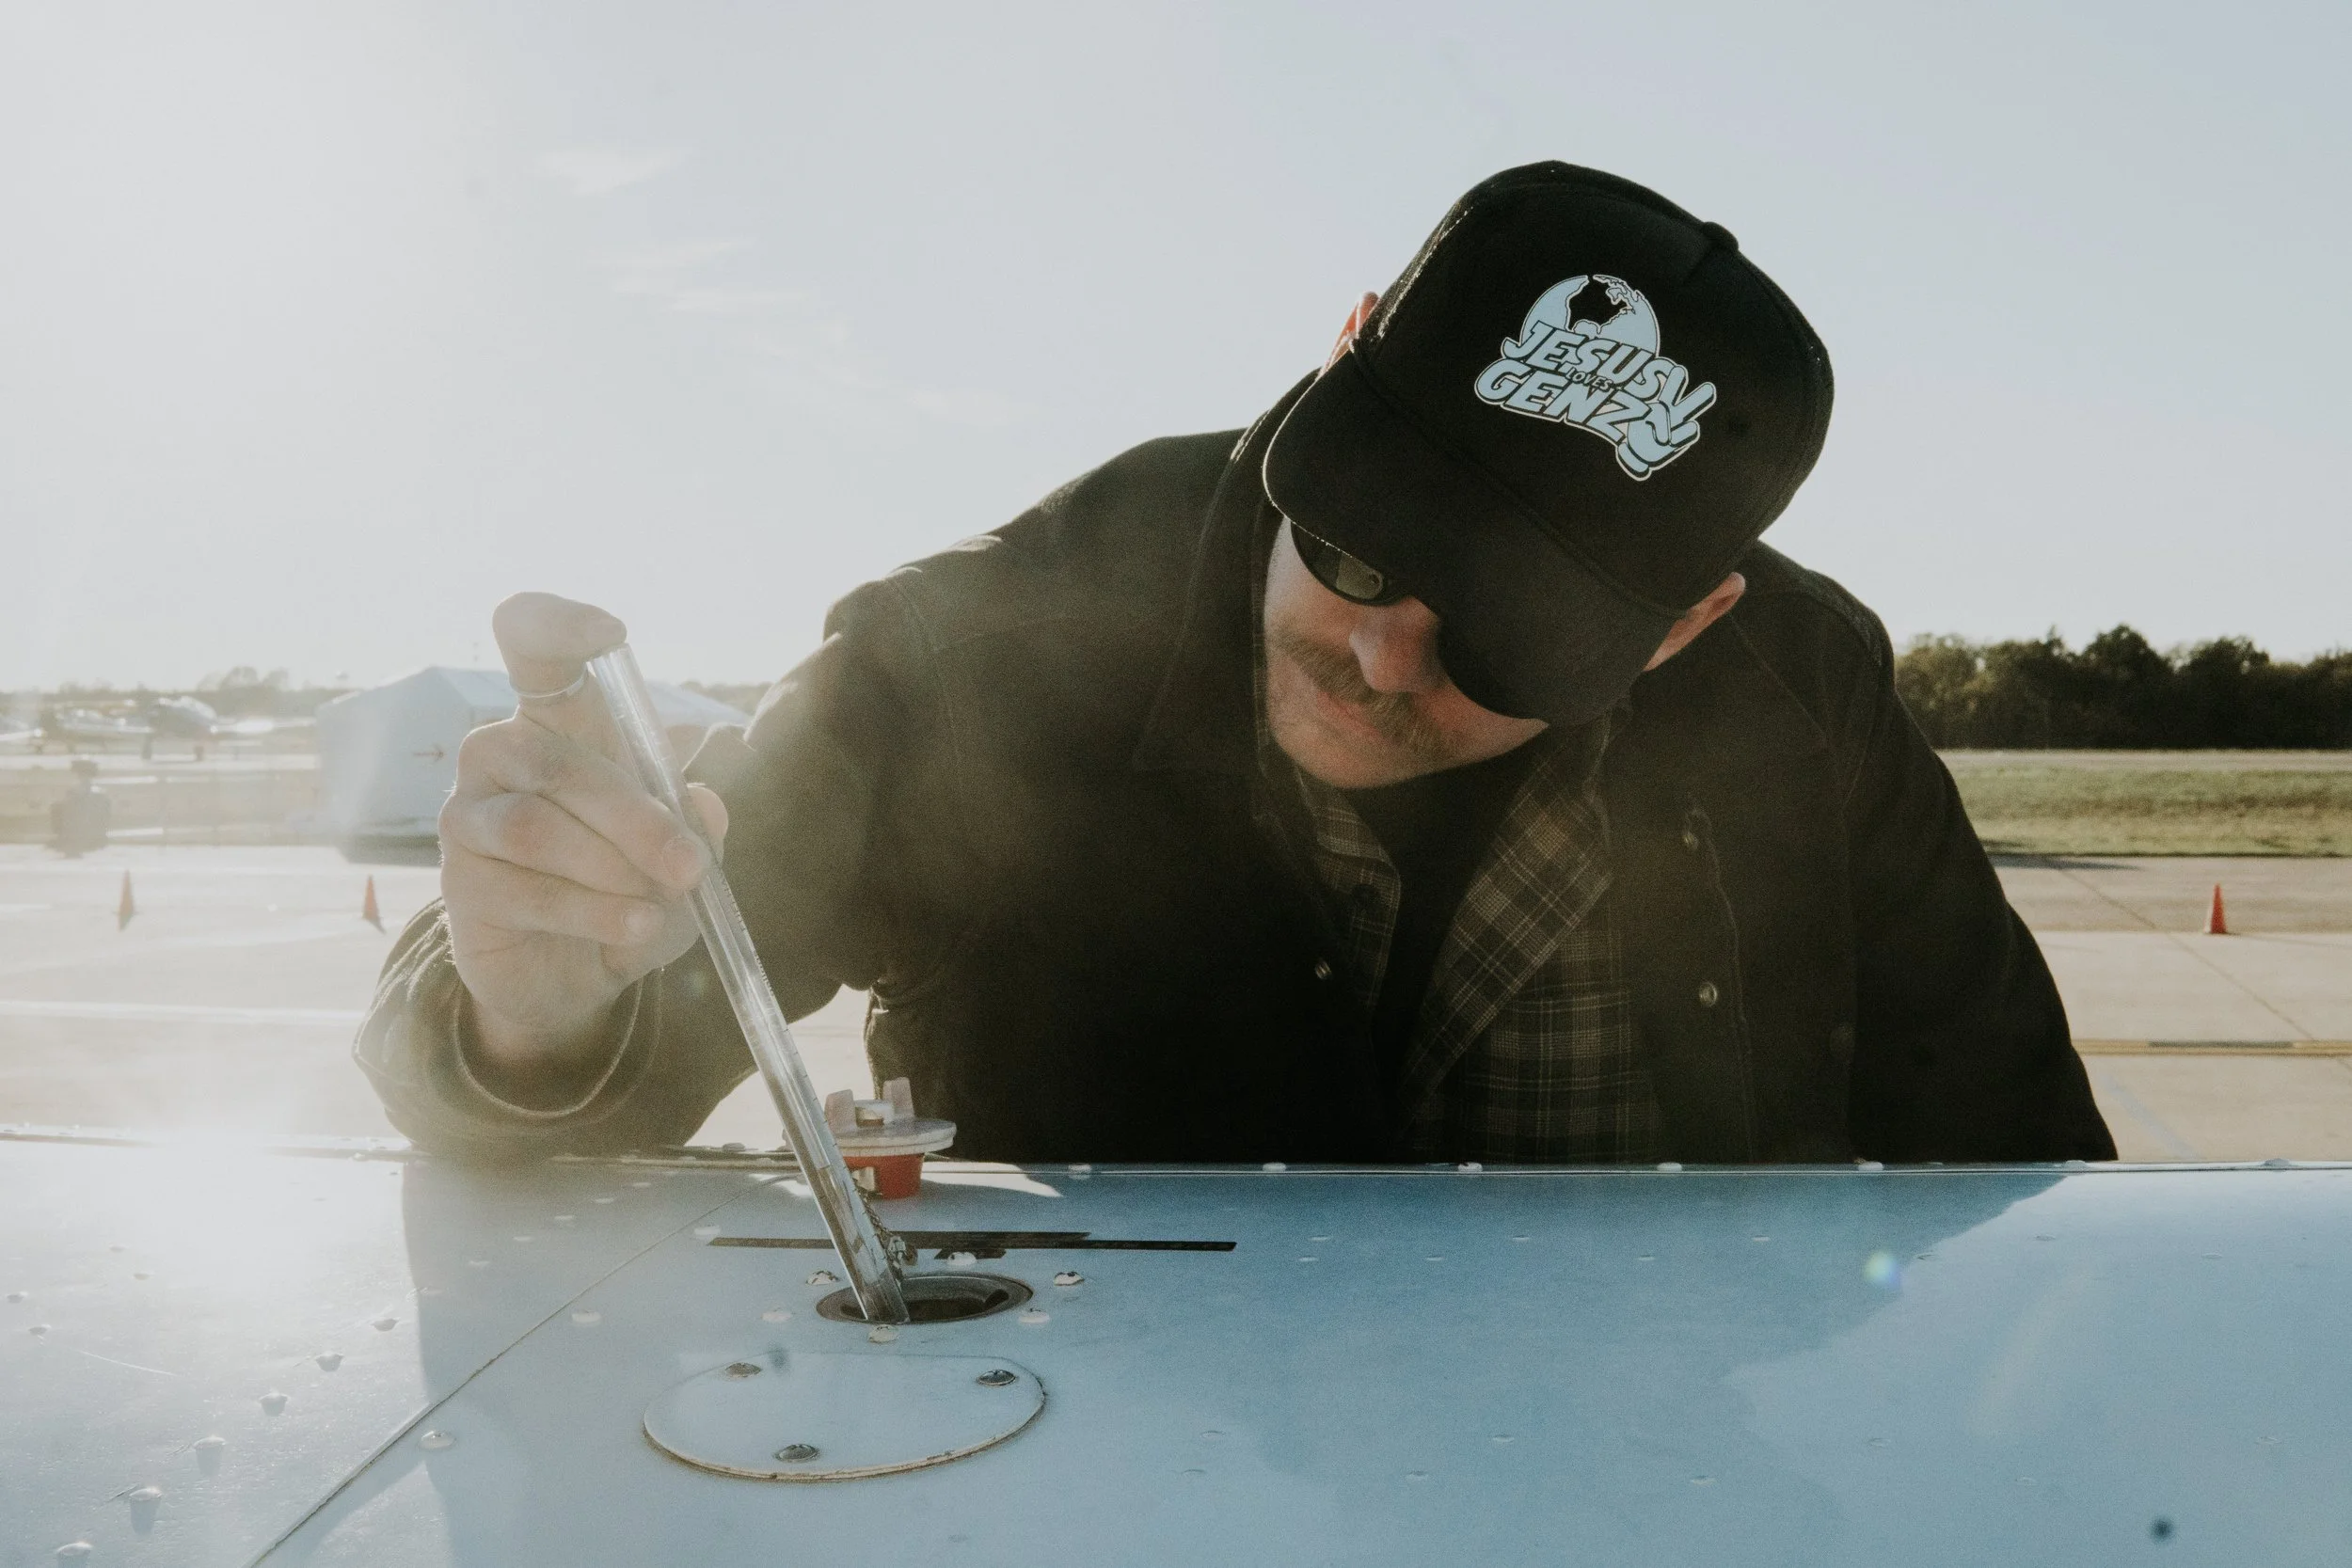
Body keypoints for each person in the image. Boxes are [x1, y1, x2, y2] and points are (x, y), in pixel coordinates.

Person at [358, 163, 2114, 1166]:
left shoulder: (1802, 695)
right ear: (1341, 353)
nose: (1379, 650)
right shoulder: (981, 647)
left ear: (1690, 622)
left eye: (1511, 636)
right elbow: (602, 1036)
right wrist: (535, 1001)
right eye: (1358, 540)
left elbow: (2019, 1166)